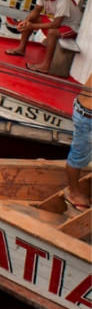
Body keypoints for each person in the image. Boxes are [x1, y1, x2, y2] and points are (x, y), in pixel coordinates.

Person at [6, 0, 84, 73]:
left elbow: (56, 24)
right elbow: (37, 10)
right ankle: (21, 49)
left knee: (52, 32)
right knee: (33, 18)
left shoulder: (63, 1)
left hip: (72, 27)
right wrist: (26, 21)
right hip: (58, 23)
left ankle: (46, 66)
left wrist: (32, 26)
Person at [65, 73, 92, 210]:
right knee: (78, 156)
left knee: (79, 154)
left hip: (85, 111)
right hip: (88, 116)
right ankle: (74, 194)